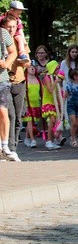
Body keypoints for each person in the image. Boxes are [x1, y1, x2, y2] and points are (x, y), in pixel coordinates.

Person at [2, 17, 29, 155]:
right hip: (6, 81)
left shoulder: (19, 40)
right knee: (9, 115)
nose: (11, 29)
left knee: (18, 117)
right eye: (9, 27)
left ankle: (13, 147)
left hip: (19, 81)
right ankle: (8, 147)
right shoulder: (2, 41)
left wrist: (23, 61)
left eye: (13, 27)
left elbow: (28, 63)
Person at [34, 45, 65, 149]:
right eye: (57, 68)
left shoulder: (54, 77)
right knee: (51, 121)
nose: (59, 70)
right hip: (48, 102)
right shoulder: (47, 78)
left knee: (55, 121)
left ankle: (54, 139)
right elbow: (50, 90)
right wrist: (57, 81)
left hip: (54, 102)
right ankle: (49, 141)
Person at [0, 23, 19, 161]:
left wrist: (6, 64)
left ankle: (5, 146)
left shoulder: (2, 33)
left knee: (2, 111)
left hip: (1, 78)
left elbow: (13, 51)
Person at [63, 68, 78, 147]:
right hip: (71, 105)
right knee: (74, 123)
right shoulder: (69, 85)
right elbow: (65, 96)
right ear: (75, 77)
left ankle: (74, 136)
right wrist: (62, 103)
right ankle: (73, 140)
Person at [22, 63, 42, 148]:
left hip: (36, 103)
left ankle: (27, 138)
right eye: (30, 67)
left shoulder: (38, 79)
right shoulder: (24, 80)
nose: (32, 68)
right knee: (29, 121)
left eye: (33, 67)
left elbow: (41, 92)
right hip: (27, 104)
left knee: (32, 122)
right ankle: (33, 140)